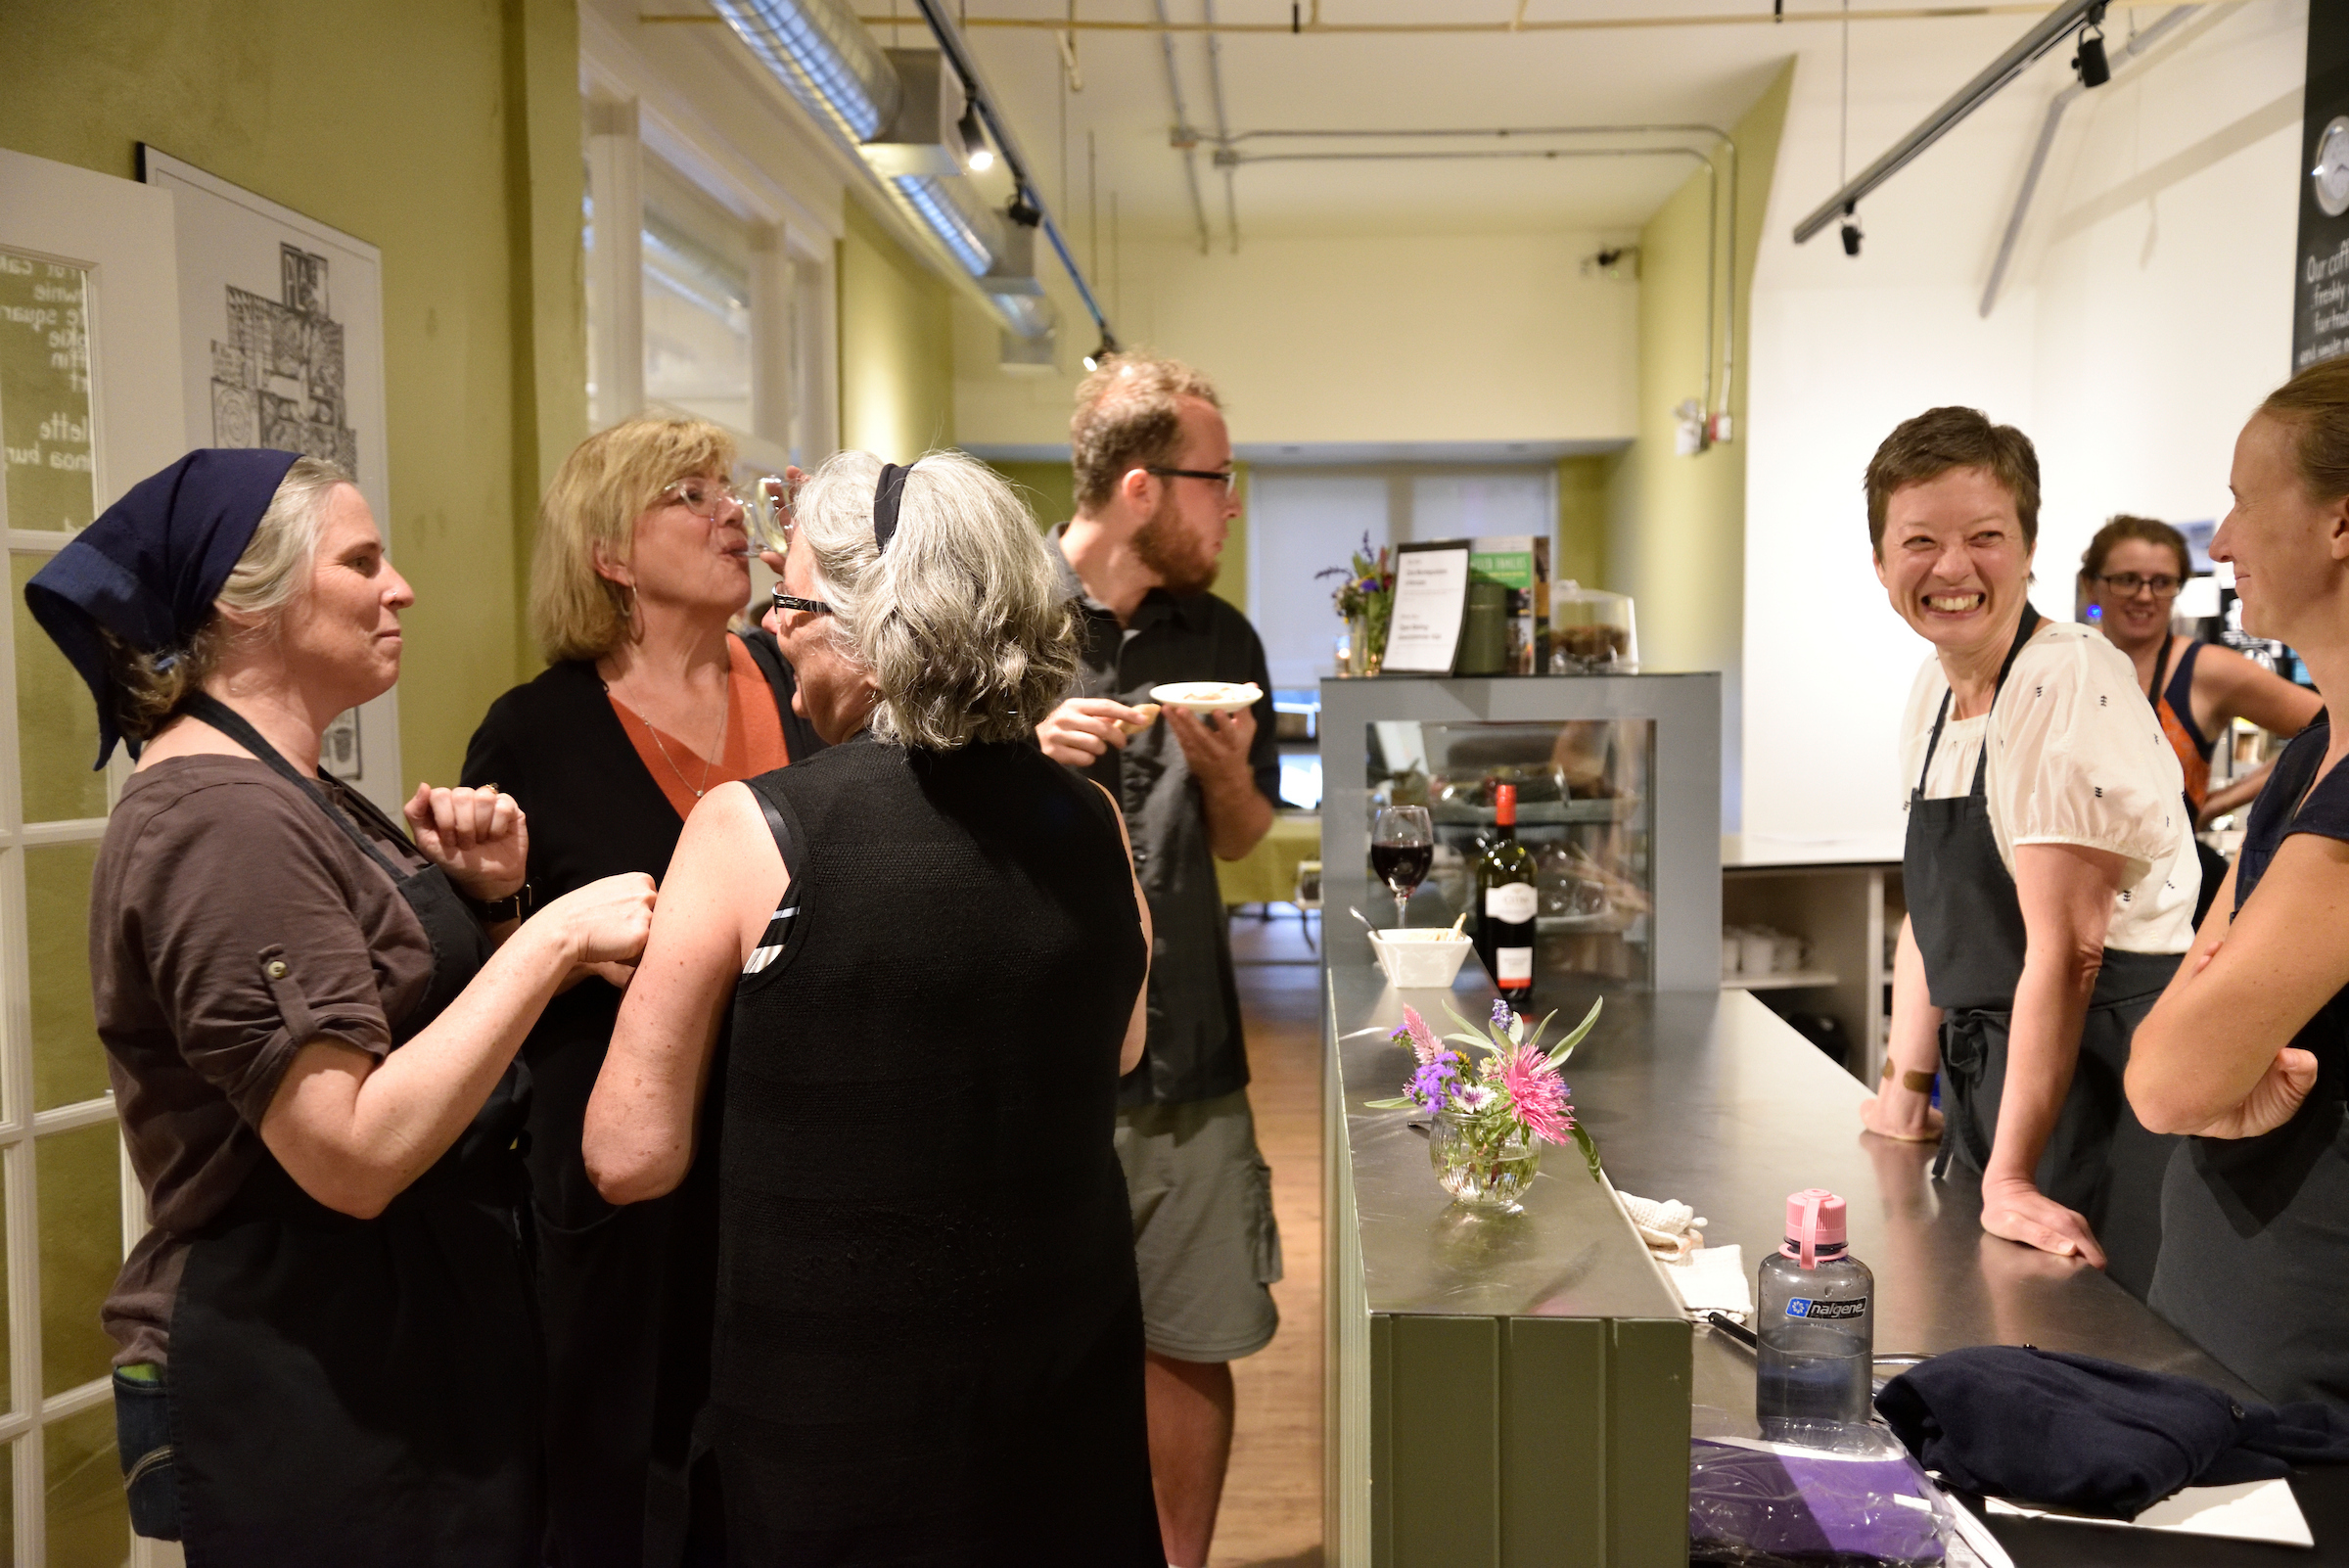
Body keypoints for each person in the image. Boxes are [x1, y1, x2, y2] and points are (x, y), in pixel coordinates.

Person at [23, 449, 654, 1561]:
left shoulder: (288, 784)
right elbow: (349, 1152)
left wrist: (490, 906)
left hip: (399, 1353)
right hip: (306, 1377)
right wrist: (550, 941)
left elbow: (417, 1033)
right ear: (243, 602)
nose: (400, 586)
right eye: (362, 562)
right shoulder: (221, 820)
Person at [580, 449, 1164, 1563]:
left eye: (793, 601)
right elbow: (1122, 1046)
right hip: (1058, 1406)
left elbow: (627, 1153)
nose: (775, 629)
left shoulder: (752, 830)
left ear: (873, 617)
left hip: (841, 1429)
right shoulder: (1089, 820)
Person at [460, 415, 825, 1565]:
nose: (731, 515)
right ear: (610, 554)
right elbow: (501, 975)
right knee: (628, 1498)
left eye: (728, 490)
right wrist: (497, 903)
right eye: (690, 495)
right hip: (624, 1192)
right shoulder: (531, 732)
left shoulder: (804, 688)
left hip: (799, 1167)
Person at [1856, 407, 2196, 1300]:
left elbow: (2070, 952)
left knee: (2095, 1353)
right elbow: (1934, 916)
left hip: (2096, 1088)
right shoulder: (1936, 686)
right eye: (1920, 541)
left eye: (1985, 537)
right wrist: (1905, 1087)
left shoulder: (2064, 675)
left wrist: (2009, 1177)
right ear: (1883, 564)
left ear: (2031, 548)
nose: (1953, 567)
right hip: (1996, 1086)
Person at [1031, 351, 1280, 1568]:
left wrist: (1225, 763)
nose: (1230, 506)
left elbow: (1240, 836)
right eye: (1215, 480)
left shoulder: (1223, 634)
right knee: (1031, 1349)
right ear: (1140, 487)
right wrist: (1033, 753)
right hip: (1029, 1067)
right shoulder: (1004, 616)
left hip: (1187, 1054)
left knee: (1190, 1336)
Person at [2128, 357, 2349, 1409]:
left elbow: (2170, 1075)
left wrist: (2205, 1045)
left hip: (2311, 1354)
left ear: (2342, 525)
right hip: (2223, 1310)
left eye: (2242, 501)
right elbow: (2173, 1061)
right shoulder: (2310, 762)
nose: (2219, 542)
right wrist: (2202, 1050)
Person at [2076, 515, 2320, 924]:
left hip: (2175, 904)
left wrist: (2220, 802)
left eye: (2162, 582)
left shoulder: (2207, 670)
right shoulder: (2069, 666)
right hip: (2078, 892)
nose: (2145, 595)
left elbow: (2328, 723)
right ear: (2092, 584)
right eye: (2127, 579)